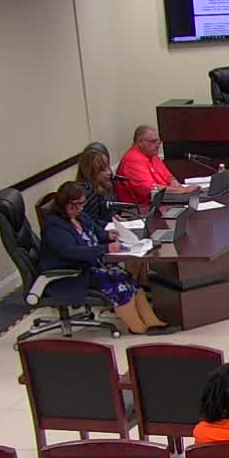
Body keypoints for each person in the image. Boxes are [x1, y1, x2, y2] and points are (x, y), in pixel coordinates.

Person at [38, 182, 172, 335]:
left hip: (90, 266)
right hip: (72, 274)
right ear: (63, 204)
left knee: (129, 279)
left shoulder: (80, 216)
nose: (80, 208)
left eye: (82, 203)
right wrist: (106, 248)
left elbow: (96, 232)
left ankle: (151, 320)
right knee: (119, 286)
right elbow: (71, 252)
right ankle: (137, 327)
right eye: (75, 204)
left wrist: (108, 236)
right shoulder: (54, 226)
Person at [114, 125, 200, 209]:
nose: (157, 145)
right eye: (153, 142)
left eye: (159, 142)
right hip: (142, 208)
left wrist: (177, 185)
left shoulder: (152, 155)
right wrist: (183, 190)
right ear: (140, 142)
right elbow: (151, 189)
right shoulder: (132, 160)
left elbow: (169, 177)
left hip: (163, 201)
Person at [75, 148, 118, 227]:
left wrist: (112, 216)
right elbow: (91, 222)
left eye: (108, 167)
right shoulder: (87, 191)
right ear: (90, 172)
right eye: (103, 170)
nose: (109, 172)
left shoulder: (103, 185)